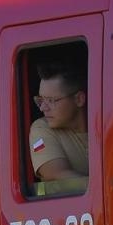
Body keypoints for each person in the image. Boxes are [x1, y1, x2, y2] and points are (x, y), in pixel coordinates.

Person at [29, 60, 87, 193]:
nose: (43, 108)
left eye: (51, 100)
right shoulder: (41, 129)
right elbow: (56, 174)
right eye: (40, 100)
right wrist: (110, 189)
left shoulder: (108, 124)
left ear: (79, 99)